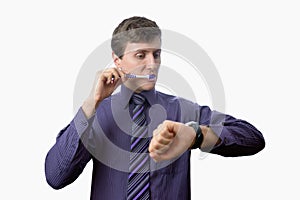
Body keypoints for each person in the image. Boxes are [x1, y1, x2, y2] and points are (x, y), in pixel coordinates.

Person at [45, 16, 265, 200]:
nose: (152, 64)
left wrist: (197, 135)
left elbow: (253, 138)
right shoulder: (97, 114)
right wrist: (91, 103)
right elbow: (56, 177)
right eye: (140, 55)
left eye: (156, 54)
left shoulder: (182, 111)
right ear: (117, 60)